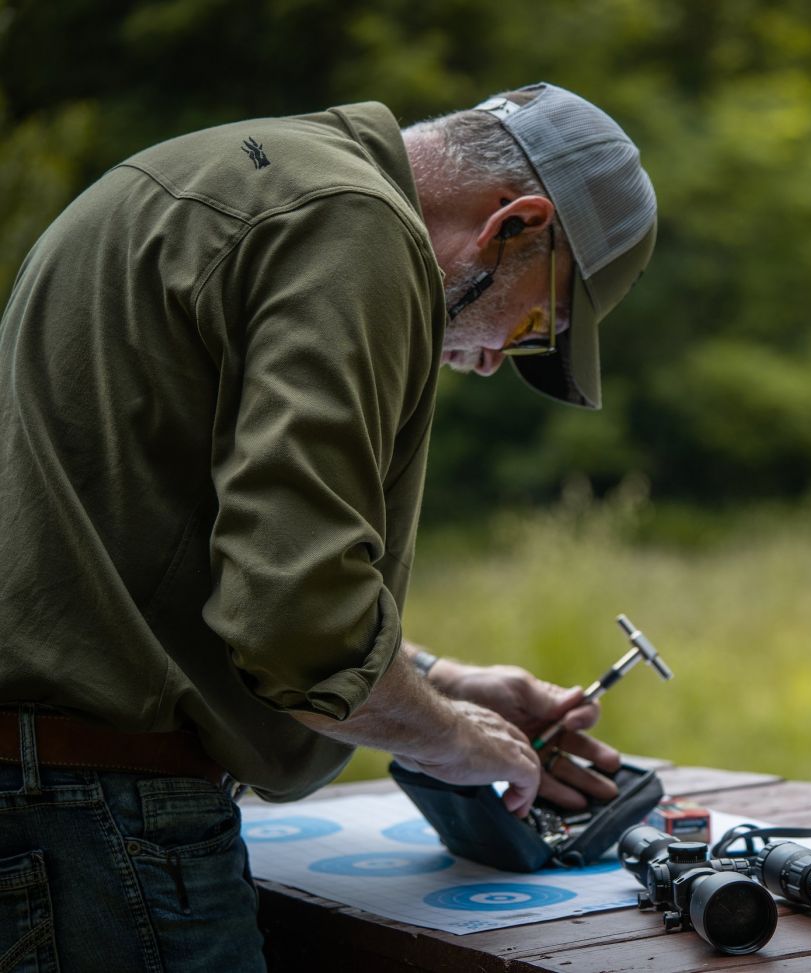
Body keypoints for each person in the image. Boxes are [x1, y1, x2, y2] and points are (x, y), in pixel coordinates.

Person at [0, 83, 656, 970]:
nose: (500, 356)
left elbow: (173, 556)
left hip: (47, 794)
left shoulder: (230, 171)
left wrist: (446, 681)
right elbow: (297, 621)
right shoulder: (356, 226)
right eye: (539, 320)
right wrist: (462, 741)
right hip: (105, 812)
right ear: (516, 225)